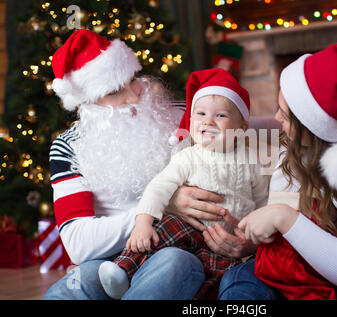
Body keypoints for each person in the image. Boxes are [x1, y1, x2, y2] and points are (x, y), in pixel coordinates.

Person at [218, 43, 337, 300]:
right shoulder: (290, 152)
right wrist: (254, 240)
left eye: (285, 116)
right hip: (294, 275)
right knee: (241, 275)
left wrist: (282, 216)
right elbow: (284, 241)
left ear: (312, 127)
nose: (276, 118)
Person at [42, 29, 214, 300]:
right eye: (114, 91)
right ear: (87, 103)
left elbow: (240, 140)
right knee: (72, 289)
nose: (134, 96)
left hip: (176, 248)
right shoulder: (69, 146)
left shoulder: (185, 114)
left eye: (132, 80)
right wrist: (158, 207)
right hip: (106, 261)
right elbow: (78, 243)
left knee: (173, 265)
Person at [97, 68, 269, 300]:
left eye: (221, 116)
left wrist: (256, 236)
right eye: (200, 113)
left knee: (216, 278)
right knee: (160, 232)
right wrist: (142, 222)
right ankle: (123, 272)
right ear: (191, 121)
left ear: (242, 129)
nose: (208, 121)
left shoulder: (253, 161)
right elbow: (158, 187)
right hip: (187, 228)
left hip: (225, 241)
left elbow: (262, 202)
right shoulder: (187, 156)